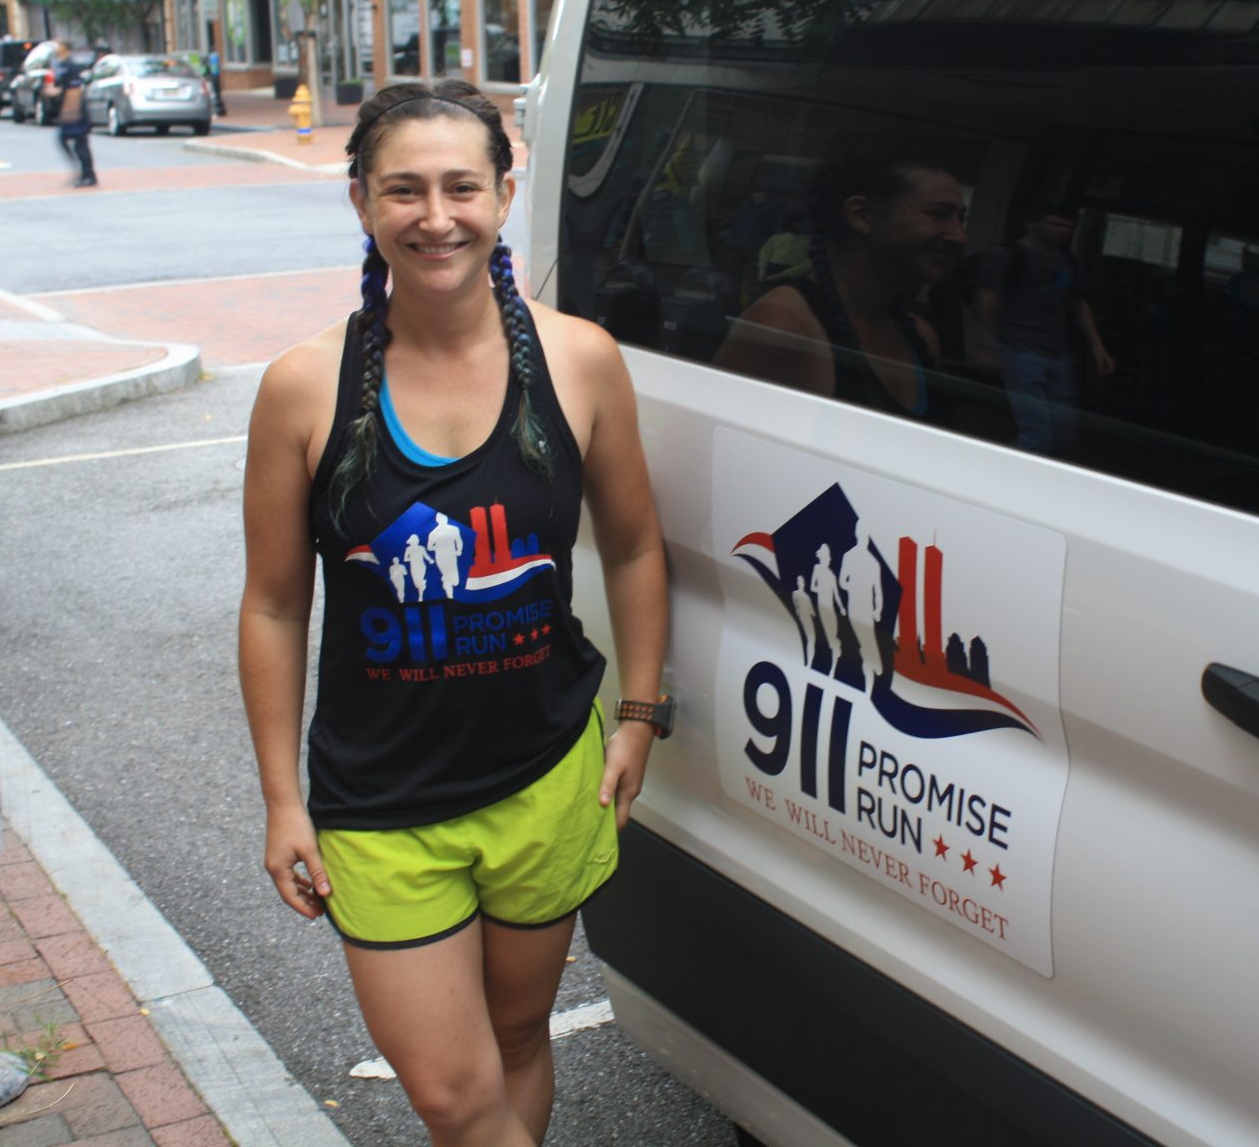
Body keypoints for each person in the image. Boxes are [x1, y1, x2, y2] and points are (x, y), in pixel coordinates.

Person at [239, 78, 668, 1147]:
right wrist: (282, 798)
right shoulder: (305, 388)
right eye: (406, 189)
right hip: (380, 799)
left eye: (462, 186)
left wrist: (641, 711)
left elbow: (633, 544)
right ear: (361, 201)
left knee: (519, 1043)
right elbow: (277, 604)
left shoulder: (578, 360)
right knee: (451, 1090)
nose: (437, 216)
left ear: (504, 193)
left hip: (544, 774)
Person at [714, 151, 966, 423]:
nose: (960, 236)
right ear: (861, 216)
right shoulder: (783, 326)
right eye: (939, 215)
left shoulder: (921, 336)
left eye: (960, 219)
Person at [971, 204, 1113, 454]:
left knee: (1063, 435)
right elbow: (987, 300)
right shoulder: (1006, 256)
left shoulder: (1067, 260)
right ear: (1032, 224)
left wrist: (1096, 344)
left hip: (1060, 354)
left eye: (1069, 227)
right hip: (1019, 350)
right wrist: (986, 345)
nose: (1062, 231)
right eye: (1054, 224)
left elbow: (1077, 303)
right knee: (1037, 432)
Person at [46, 41, 95, 188]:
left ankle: (88, 175)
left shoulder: (71, 66)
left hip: (75, 110)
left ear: (65, 48)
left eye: (58, 45)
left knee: (80, 143)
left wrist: (70, 111)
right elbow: (63, 87)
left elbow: (74, 90)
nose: (56, 48)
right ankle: (80, 171)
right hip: (67, 109)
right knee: (66, 140)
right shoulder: (60, 65)